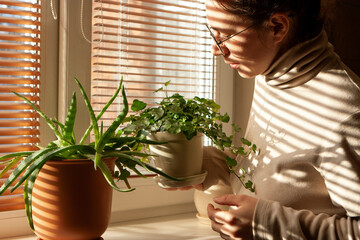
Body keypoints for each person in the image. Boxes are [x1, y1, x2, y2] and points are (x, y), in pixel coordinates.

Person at [193, 0, 360, 239]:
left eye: (226, 36)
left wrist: (268, 223)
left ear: (277, 27)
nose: (216, 49)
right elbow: (282, 173)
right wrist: (210, 163)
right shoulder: (271, 71)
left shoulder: (345, 112)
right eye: (213, 32)